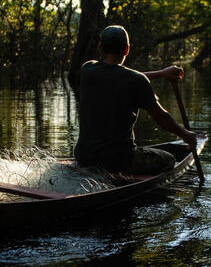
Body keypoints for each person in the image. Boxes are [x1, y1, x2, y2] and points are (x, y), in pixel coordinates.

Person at [74, 24, 199, 174]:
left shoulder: (87, 70)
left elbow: (120, 77)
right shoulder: (135, 80)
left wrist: (161, 73)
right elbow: (162, 118)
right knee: (169, 159)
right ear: (127, 49)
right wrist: (185, 134)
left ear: (101, 48)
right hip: (118, 161)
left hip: (84, 157)